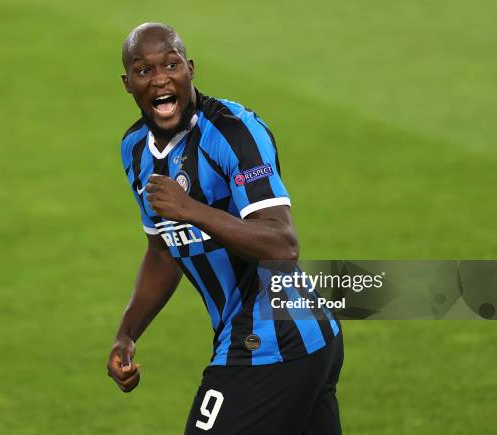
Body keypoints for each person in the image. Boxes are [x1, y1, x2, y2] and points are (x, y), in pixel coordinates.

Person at [108, 22, 344, 435]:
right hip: (296, 345)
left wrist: (191, 210)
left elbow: (282, 244)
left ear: (190, 69)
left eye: (171, 64)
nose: (161, 78)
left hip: (272, 342)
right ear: (128, 84)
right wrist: (126, 334)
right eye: (144, 71)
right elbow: (164, 252)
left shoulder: (235, 132)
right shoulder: (134, 150)